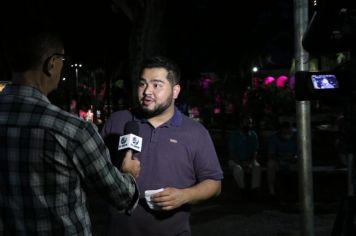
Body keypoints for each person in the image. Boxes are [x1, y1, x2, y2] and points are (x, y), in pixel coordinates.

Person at [0, 27, 141, 235]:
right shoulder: (73, 130)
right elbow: (122, 196)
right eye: (63, 61)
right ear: (52, 63)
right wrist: (129, 173)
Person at [101, 56, 223, 236]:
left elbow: (214, 184)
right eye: (143, 84)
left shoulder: (196, 132)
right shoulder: (117, 121)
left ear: (175, 91)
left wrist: (185, 195)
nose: (147, 91)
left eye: (156, 85)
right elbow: (92, 173)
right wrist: (119, 174)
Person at [228, 115, 261, 192]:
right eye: (247, 123)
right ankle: (242, 189)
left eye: (250, 123)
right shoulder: (234, 135)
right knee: (238, 169)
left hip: (249, 160)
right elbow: (232, 153)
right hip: (235, 160)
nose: (249, 125)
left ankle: (254, 189)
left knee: (257, 167)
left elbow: (255, 151)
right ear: (241, 124)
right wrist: (242, 164)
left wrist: (251, 162)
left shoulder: (253, 135)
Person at [266, 121, 298, 195]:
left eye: (289, 131)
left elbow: (301, 152)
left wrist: (295, 157)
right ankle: (272, 192)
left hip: (293, 161)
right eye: (285, 131)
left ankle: (300, 191)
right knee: (270, 164)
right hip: (279, 161)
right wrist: (281, 158)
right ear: (281, 131)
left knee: (304, 164)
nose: (287, 133)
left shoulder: (296, 136)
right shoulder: (274, 138)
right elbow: (271, 155)